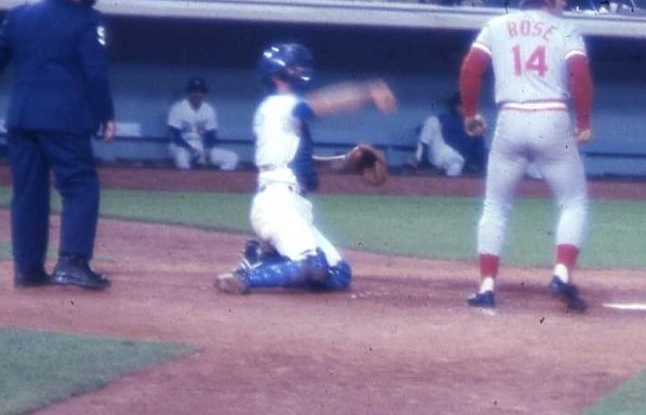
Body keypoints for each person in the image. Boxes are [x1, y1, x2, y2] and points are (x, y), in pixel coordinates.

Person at [0, 0, 115, 290]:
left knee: (28, 193)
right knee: (80, 186)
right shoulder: (89, 20)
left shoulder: (20, 15)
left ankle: (27, 270)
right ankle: (72, 262)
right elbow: (96, 72)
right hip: (66, 120)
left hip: (22, 119)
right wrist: (106, 115)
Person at [458, 0, 593, 312]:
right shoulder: (566, 29)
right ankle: (561, 273)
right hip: (552, 116)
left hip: (510, 118)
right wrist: (584, 121)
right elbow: (579, 76)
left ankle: (487, 285)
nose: (563, 1)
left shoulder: (497, 26)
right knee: (573, 201)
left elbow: (471, 69)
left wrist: (470, 113)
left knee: (495, 207)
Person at [214, 43, 396, 295]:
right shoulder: (279, 104)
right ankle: (247, 277)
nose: (300, 71)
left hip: (291, 202)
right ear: (277, 75)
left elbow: (304, 164)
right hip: (277, 202)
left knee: (338, 274)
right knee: (312, 264)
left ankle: (264, 257)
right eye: (294, 68)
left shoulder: (281, 114)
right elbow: (322, 104)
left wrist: (346, 161)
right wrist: (367, 91)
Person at [167, 77, 239, 171]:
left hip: (201, 147)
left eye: (200, 91)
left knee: (232, 157)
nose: (197, 94)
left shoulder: (208, 109)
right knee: (181, 158)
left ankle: (214, 181)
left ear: (204, 93)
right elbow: (175, 136)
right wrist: (190, 149)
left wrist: (207, 150)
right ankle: (186, 183)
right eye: (194, 91)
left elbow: (211, 134)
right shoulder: (178, 108)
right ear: (189, 92)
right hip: (180, 147)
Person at [413, 93, 486, 177]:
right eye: (461, 106)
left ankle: (441, 180)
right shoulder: (445, 118)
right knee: (432, 120)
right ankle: (417, 159)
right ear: (456, 107)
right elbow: (422, 130)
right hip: (440, 152)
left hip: (458, 159)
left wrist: (482, 168)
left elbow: (481, 151)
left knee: (456, 164)